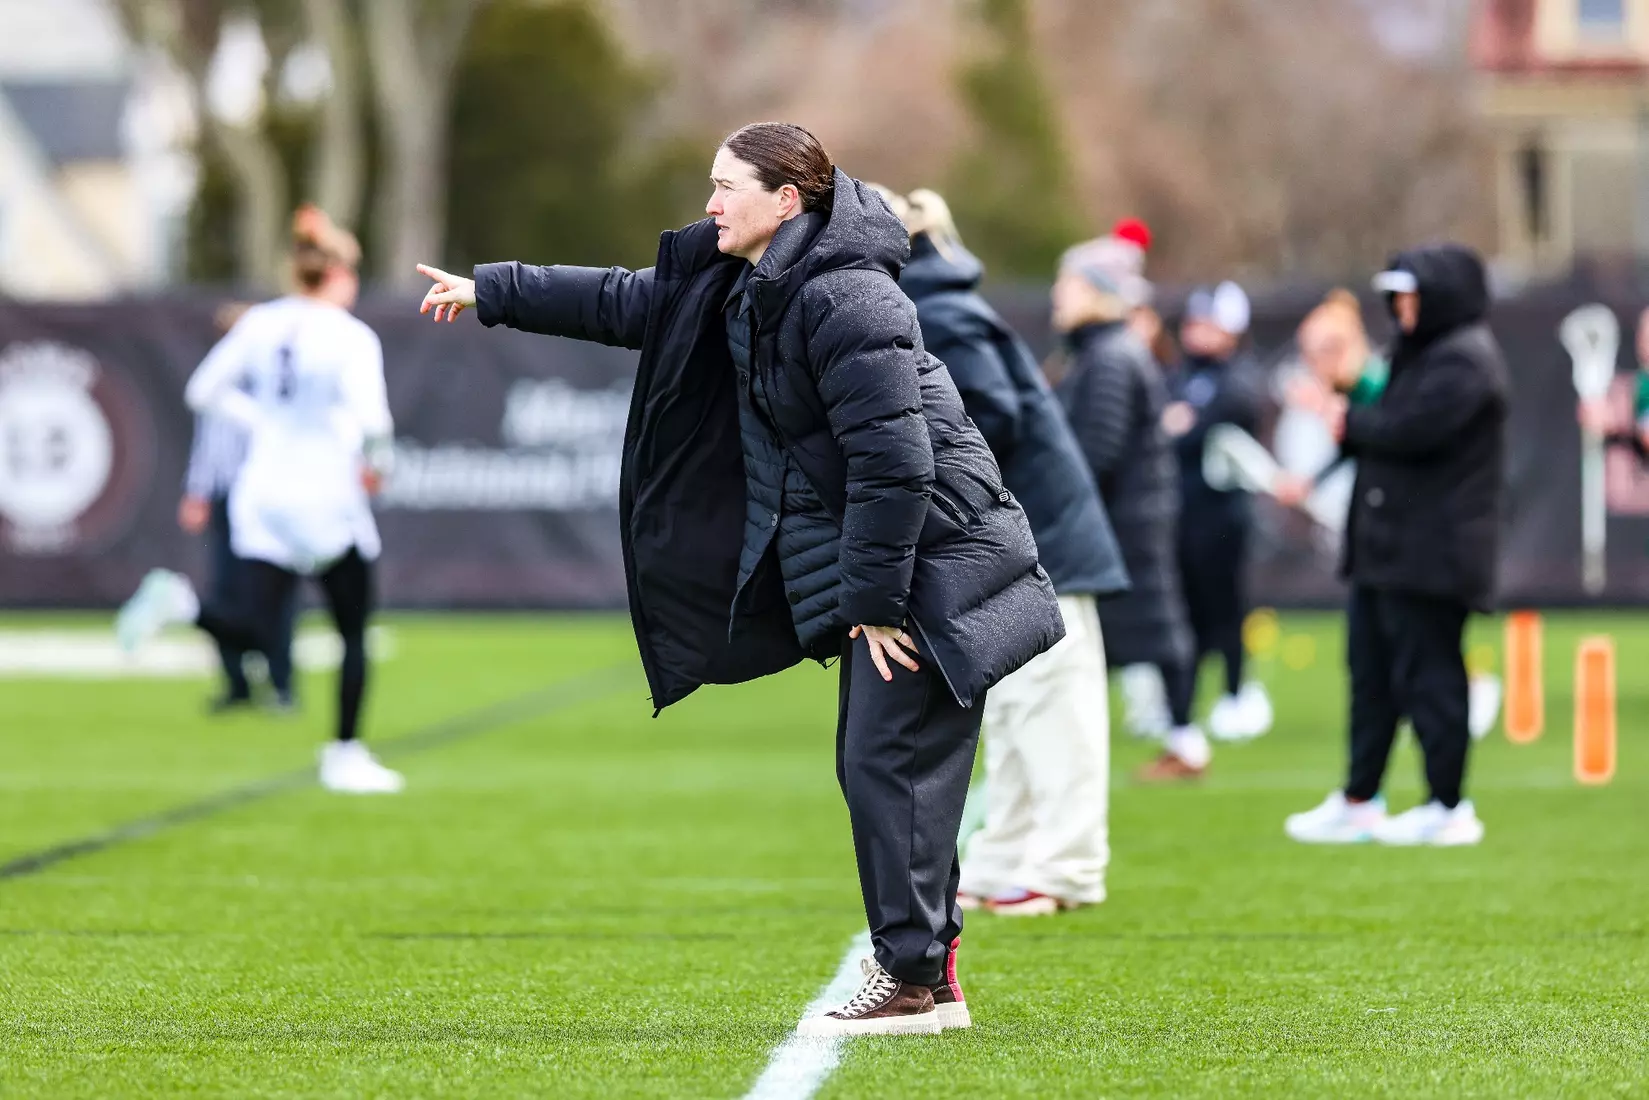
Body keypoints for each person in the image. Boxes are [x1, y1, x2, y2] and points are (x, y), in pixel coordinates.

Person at [414, 124, 1063, 1036]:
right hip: (903, 559)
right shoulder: (748, 279)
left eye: (726, 188)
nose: (710, 205)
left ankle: (915, 984)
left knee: (889, 767)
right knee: (882, 766)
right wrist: (494, 290)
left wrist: (874, 604)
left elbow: (895, 464)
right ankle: (924, 974)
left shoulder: (845, 296)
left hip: (932, 561)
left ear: (786, 201)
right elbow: (626, 302)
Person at [890, 187, 1128, 916]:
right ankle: (1004, 858)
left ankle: (1067, 868)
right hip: (1016, 536)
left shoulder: (943, 313)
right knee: (1015, 704)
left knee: (1053, 704)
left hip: (1042, 538)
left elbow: (992, 413)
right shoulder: (936, 304)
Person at [117, 207, 402, 796]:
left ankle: (180, 605)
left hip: (264, 490)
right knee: (353, 627)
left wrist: (263, 422)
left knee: (253, 625)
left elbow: (202, 391)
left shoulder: (260, 323)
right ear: (341, 274)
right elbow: (373, 421)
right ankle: (345, 753)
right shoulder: (350, 336)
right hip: (324, 494)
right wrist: (379, 466)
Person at [1284, 244, 1507, 846]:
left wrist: (1348, 419)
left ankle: (1448, 806)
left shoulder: (1466, 360)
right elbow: (1381, 428)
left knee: (1431, 679)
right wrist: (1352, 421)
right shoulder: (1419, 354)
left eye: (1412, 293)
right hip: (1386, 554)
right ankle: (1360, 798)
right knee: (1371, 677)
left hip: (1432, 556)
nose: (1401, 305)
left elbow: (1411, 432)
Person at [1049, 237, 1203, 780]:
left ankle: (1185, 742)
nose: (1056, 296)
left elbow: (1097, 452)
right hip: (1129, 518)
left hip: (1126, 522)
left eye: (1068, 284)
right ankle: (1182, 740)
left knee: (1153, 630)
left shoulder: (1111, 356)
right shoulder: (1103, 352)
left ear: (1098, 292)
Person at [1162, 281, 1273, 747]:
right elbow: (1164, 428)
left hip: (1223, 516)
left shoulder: (1239, 378)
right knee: (1185, 614)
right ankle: (1181, 712)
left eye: (1210, 323)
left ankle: (1234, 696)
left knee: (1227, 611)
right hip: (1181, 513)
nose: (1198, 331)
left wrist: (1185, 425)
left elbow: (1199, 430)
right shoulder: (1181, 374)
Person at [178, 301, 298, 713]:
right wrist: (197, 491)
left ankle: (281, 684)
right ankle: (237, 684)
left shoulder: (276, 385)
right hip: (227, 496)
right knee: (224, 590)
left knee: (275, 593)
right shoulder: (219, 384)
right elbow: (207, 444)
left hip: (267, 498)